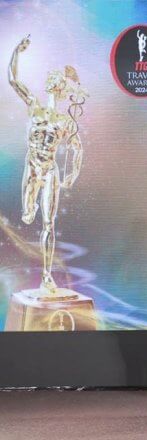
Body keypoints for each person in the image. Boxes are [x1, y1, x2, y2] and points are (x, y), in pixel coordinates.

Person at [9, 35, 87, 293]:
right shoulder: (34, 106)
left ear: (64, 90)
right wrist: (17, 52)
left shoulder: (66, 122)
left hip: (50, 169)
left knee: (48, 223)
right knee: (28, 215)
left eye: (60, 83)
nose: (55, 85)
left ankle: (46, 275)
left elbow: (77, 149)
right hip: (32, 166)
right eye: (54, 81)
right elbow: (13, 80)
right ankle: (28, 207)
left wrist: (71, 175)